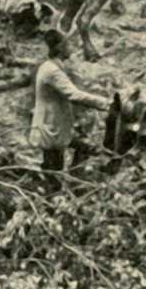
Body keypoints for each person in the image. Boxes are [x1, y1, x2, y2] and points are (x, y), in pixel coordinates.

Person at [30, 28, 101, 187]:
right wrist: (105, 103)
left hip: (55, 126)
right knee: (54, 169)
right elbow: (73, 94)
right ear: (60, 47)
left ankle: (67, 183)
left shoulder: (54, 67)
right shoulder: (52, 71)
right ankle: (55, 193)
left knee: (56, 164)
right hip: (50, 129)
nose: (71, 48)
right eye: (68, 44)